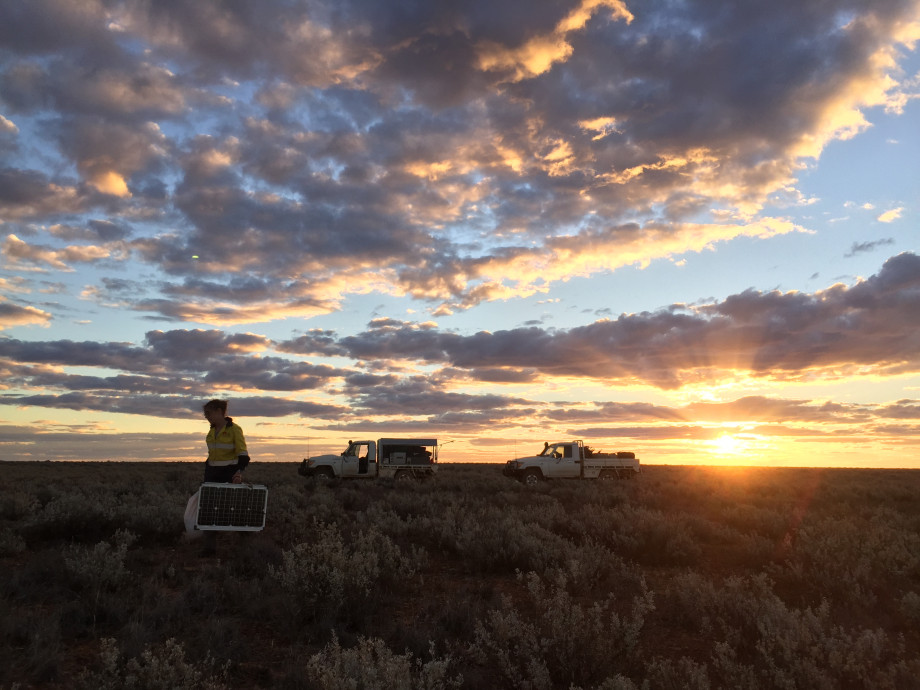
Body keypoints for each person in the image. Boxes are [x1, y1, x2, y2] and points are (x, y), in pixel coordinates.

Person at [199, 399, 250, 555]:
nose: (206, 416)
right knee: (209, 510)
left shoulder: (235, 430)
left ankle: (246, 545)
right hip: (212, 474)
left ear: (220, 411)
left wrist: (238, 473)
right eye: (205, 413)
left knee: (235, 509)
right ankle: (209, 548)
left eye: (209, 413)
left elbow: (243, 455)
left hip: (229, 474)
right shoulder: (210, 431)